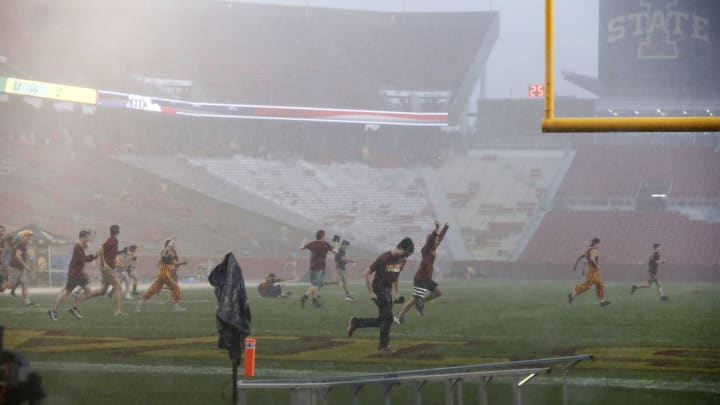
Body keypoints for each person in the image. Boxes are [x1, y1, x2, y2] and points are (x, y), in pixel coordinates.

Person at [347, 237, 414, 354]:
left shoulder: (402, 260)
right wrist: (371, 292)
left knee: (383, 320)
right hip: (378, 290)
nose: (406, 257)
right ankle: (383, 347)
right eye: (406, 253)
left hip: (387, 290)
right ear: (402, 247)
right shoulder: (384, 258)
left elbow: (396, 276)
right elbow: (366, 273)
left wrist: (397, 293)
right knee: (388, 319)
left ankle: (356, 322)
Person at [395, 221, 448, 325]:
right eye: (435, 239)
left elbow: (439, 238)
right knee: (414, 299)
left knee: (438, 292)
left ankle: (421, 303)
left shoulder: (433, 248)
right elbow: (431, 239)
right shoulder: (426, 248)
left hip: (427, 278)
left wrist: (445, 227)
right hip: (421, 278)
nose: (437, 240)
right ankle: (399, 316)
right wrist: (436, 230)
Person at [48, 230, 97, 320]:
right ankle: (53, 311)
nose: (88, 239)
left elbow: (88, 245)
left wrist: (92, 240)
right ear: (82, 237)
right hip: (74, 274)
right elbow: (83, 259)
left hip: (80, 273)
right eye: (87, 237)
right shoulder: (77, 247)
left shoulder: (82, 246)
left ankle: (75, 309)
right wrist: (94, 256)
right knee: (66, 293)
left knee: (89, 292)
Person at [136, 237, 186, 312]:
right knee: (175, 287)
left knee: (152, 289)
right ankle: (177, 306)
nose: (173, 245)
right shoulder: (165, 251)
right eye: (171, 244)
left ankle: (140, 303)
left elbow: (172, 263)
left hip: (163, 273)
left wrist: (182, 263)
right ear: (168, 245)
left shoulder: (169, 252)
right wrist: (172, 240)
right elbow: (166, 255)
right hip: (165, 273)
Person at [86, 225, 126, 316]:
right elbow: (101, 250)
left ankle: (83, 296)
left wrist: (122, 251)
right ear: (118, 231)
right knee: (118, 287)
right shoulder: (113, 240)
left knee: (102, 291)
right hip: (107, 269)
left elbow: (112, 252)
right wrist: (104, 263)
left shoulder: (112, 240)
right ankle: (117, 311)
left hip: (107, 268)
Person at [299, 230, 337, 309]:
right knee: (316, 285)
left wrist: (303, 241)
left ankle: (315, 301)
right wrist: (337, 243)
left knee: (314, 285)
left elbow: (301, 247)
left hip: (312, 266)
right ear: (323, 236)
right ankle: (304, 297)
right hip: (320, 267)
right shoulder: (325, 244)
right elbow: (336, 251)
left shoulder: (312, 243)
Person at [568, 237, 610, 307]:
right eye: (598, 244)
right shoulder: (594, 250)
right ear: (594, 243)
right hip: (592, 272)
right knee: (587, 286)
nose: (598, 246)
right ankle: (572, 294)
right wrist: (597, 266)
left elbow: (580, 257)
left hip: (594, 272)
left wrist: (575, 266)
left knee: (600, 284)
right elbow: (592, 259)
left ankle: (602, 301)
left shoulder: (588, 250)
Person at [5, 229, 35, 306]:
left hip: (21, 268)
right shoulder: (21, 244)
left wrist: (25, 266)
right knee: (10, 285)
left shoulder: (23, 244)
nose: (29, 238)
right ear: (23, 237)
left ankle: (28, 302)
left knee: (25, 284)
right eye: (28, 237)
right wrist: (26, 266)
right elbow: (17, 256)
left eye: (30, 237)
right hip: (15, 268)